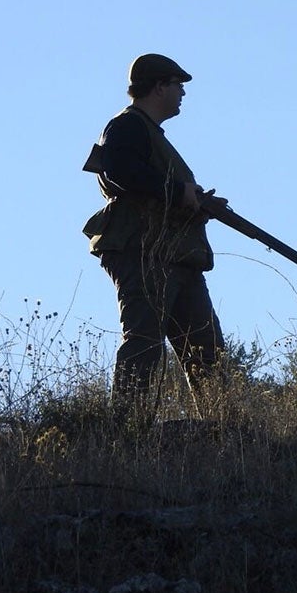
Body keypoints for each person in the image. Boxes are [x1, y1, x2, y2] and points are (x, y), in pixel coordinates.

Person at [82, 53, 228, 426]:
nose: (182, 93)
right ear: (159, 86)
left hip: (176, 255)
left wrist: (195, 202)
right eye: (178, 85)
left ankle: (225, 432)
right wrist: (180, 193)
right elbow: (119, 170)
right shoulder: (127, 126)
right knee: (144, 340)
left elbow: (145, 181)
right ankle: (126, 431)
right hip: (145, 251)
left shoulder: (148, 135)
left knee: (206, 348)